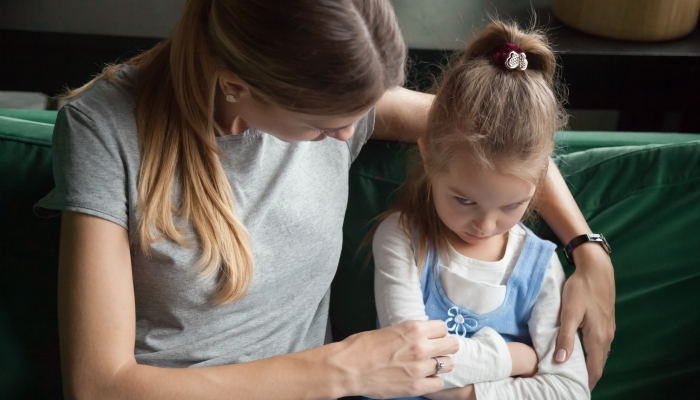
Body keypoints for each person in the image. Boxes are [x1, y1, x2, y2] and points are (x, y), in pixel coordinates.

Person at [34, 0, 613, 398]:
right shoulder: (105, 130)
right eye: (321, 128)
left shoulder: (339, 99)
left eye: (362, 115)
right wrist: (342, 369)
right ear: (236, 85)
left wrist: (587, 248)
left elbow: (503, 138)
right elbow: (98, 385)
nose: (346, 138)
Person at [371, 21, 591, 399]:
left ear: (540, 182)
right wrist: (514, 358)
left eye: (512, 205)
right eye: (464, 200)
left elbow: (570, 389)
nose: (486, 224)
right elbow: (409, 359)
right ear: (428, 158)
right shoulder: (402, 238)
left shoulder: (541, 266)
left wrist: (467, 395)